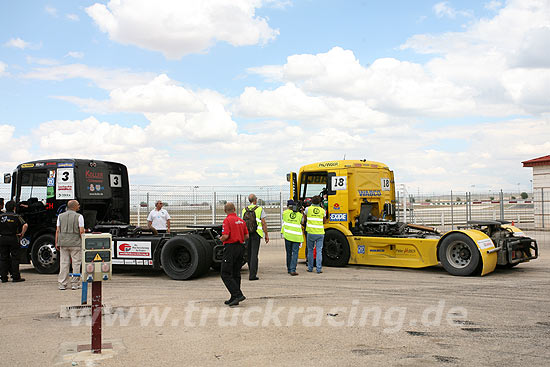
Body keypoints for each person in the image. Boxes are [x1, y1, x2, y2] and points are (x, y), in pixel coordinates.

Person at [219, 202, 248, 306]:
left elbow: (226, 235)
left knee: (225, 273)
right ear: (234, 209)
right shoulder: (241, 221)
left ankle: (237, 294)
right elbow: (246, 236)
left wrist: (220, 239)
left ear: (225, 210)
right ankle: (234, 297)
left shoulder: (227, 220)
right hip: (240, 247)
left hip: (230, 247)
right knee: (236, 272)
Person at [55, 200, 84, 290]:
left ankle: (62, 284)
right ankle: (75, 284)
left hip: (63, 243)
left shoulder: (60, 216)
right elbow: (81, 231)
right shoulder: (79, 217)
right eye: (78, 205)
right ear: (75, 206)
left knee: (64, 263)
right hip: (75, 243)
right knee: (76, 263)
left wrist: (56, 242)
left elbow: (57, 230)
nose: (79, 206)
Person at [242, 194, 269, 280]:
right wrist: (266, 235)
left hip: (247, 234)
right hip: (256, 233)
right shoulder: (259, 209)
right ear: (255, 200)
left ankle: (250, 270)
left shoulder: (244, 210)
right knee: (254, 254)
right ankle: (252, 275)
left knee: (249, 254)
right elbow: (263, 223)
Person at [0, 200, 28, 283]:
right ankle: (15, 277)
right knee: (15, 258)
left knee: (3, 258)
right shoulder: (16, 216)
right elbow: (25, 225)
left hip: (2, 238)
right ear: (14, 208)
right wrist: (21, 234)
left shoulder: (1, 216)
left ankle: (3, 277)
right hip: (13, 238)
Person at [303, 195, 327, 274]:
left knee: (310, 250)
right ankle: (319, 269)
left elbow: (305, 219)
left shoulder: (307, 209)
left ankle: (310, 268)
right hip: (320, 232)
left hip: (310, 232)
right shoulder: (322, 210)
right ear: (320, 202)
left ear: (311, 201)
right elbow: (324, 221)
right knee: (319, 251)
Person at [281, 200, 303, 276]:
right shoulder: (299, 215)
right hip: (296, 236)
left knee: (289, 253)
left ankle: (289, 269)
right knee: (295, 253)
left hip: (287, 236)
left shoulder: (284, 213)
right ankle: (293, 270)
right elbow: (302, 221)